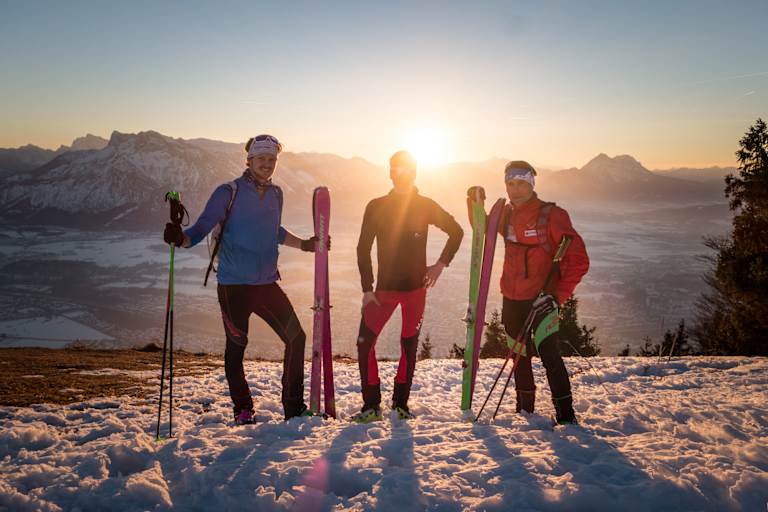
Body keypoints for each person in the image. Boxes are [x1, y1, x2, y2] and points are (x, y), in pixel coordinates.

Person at [163, 134, 319, 425]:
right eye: (262, 159)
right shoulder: (228, 191)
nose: (268, 165)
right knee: (237, 347)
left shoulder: (276, 194)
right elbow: (201, 227)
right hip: (234, 285)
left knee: (296, 337)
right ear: (249, 160)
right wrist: (181, 239)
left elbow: (275, 231)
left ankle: (293, 408)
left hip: (265, 284)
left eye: (272, 160)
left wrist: (305, 245)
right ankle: (243, 408)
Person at [353, 150, 464, 423]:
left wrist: (440, 265)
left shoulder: (425, 205)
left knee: (408, 347)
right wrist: (367, 288)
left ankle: (400, 404)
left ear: (414, 172)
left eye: (406, 169)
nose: (401, 174)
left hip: (416, 290)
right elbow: (362, 248)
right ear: (390, 172)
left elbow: (457, 231)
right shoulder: (376, 206)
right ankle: (371, 406)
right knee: (365, 344)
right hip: (383, 291)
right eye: (396, 169)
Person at [497, 160, 589, 424]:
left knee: (550, 355)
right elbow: (481, 228)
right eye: (511, 184)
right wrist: (473, 200)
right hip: (511, 299)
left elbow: (579, 259)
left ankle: (566, 416)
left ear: (532, 184)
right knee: (519, 357)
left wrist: (557, 296)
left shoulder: (552, 215)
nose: (515, 190)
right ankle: (525, 412)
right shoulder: (505, 214)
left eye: (522, 183)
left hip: (542, 301)